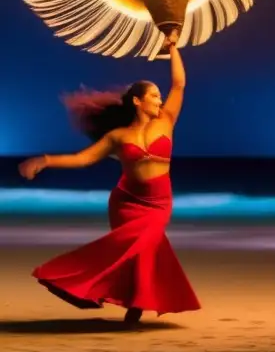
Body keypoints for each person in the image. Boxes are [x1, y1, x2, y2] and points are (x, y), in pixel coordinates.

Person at [18, 30, 200, 324]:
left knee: (143, 244)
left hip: (158, 203)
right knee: (133, 251)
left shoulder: (166, 121)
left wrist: (173, 47)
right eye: (154, 95)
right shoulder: (118, 136)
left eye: (159, 95)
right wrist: (46, 160)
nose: (159, 98)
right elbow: (84, 158)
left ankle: (115, 298)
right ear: (138, 102)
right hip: (126, 200)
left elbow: (179, 83)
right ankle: (109, 297)